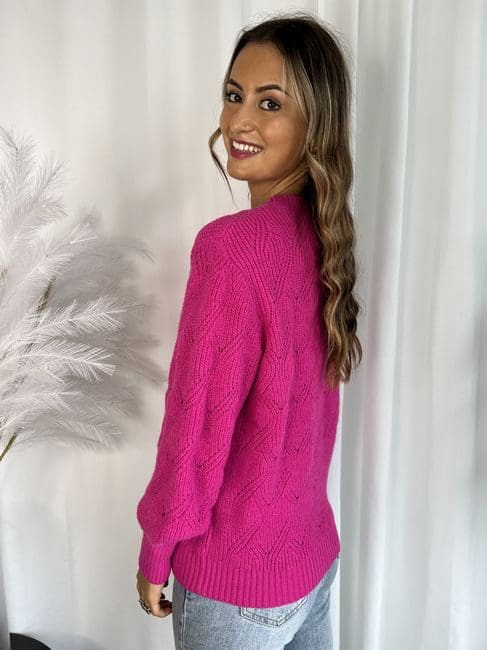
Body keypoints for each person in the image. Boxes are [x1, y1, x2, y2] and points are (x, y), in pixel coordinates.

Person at [135, 11, 362, 649]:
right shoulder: (327, 235)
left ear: (314, 123)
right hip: (310, 559)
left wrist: (157, 548)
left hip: (235, 582)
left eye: (270, 103)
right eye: (234, 95)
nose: (239, 121)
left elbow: (196, 423)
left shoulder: (233, 249)